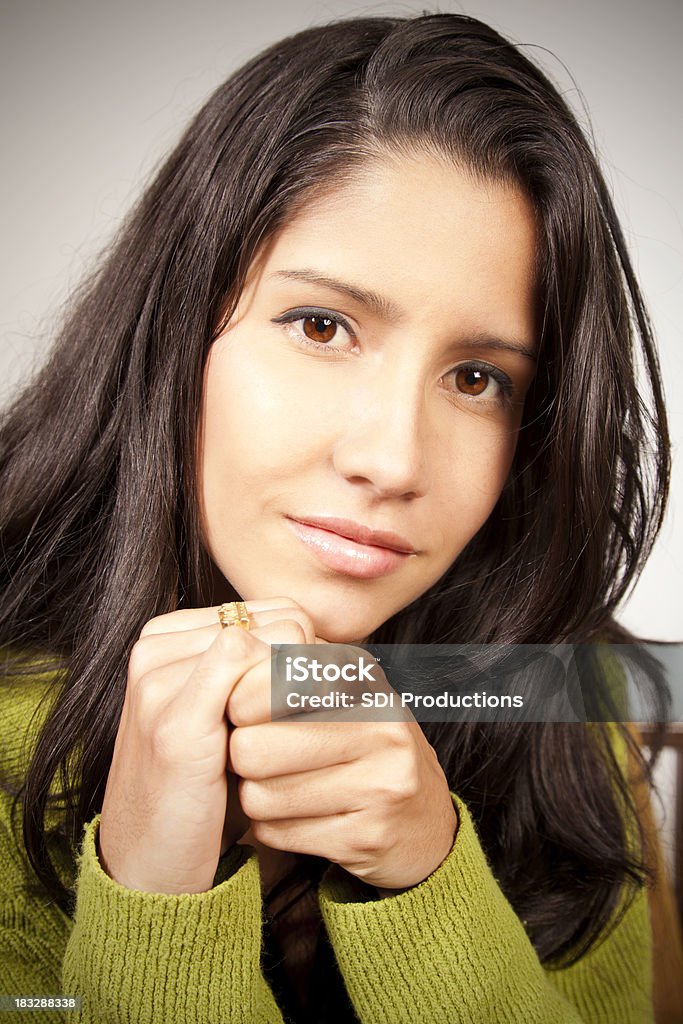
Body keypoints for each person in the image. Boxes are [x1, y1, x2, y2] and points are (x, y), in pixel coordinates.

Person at [0, 11, 677, 1023]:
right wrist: (148, 899)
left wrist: (427, 877)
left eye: (476, 377)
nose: (391, 459)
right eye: (321, 326)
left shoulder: (560, 714)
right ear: (175, 327)